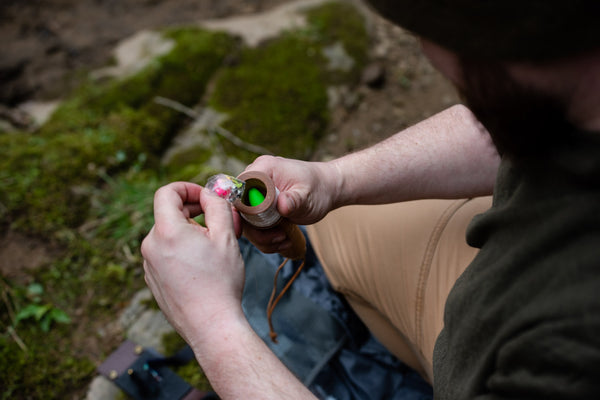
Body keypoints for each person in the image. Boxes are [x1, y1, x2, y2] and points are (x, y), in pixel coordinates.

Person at [141, 0, 600, 398]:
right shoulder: (574, 86)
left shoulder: (572, 338)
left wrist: (214, 328)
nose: (427, 51)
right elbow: (521, 115)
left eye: (432, 32)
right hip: (507, 291)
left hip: (522, 340)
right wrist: (333, 180)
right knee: (331, 230)